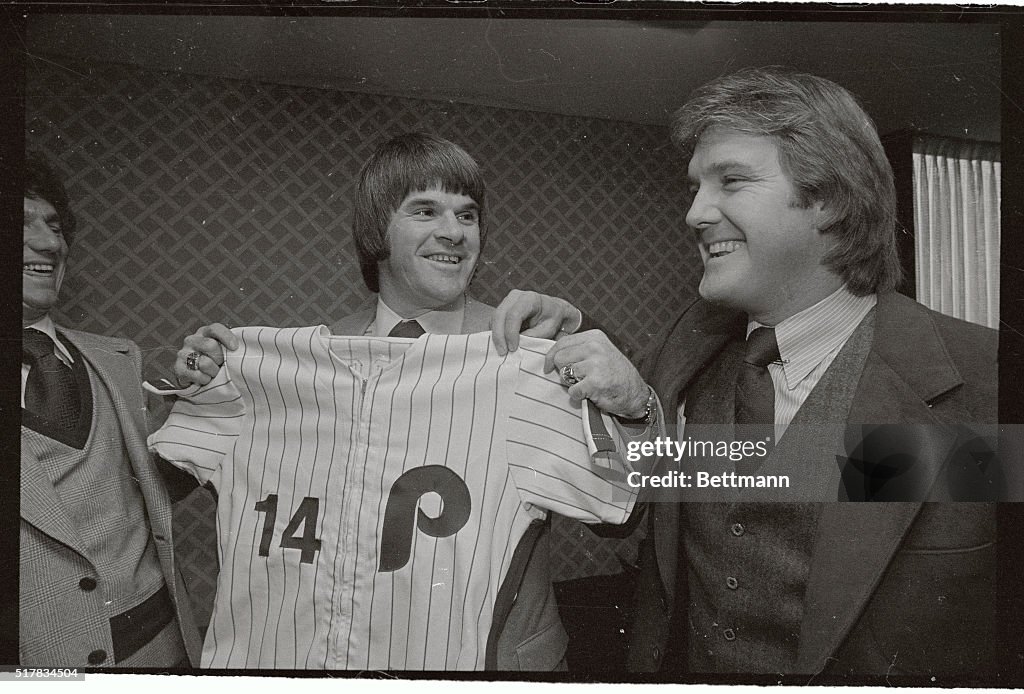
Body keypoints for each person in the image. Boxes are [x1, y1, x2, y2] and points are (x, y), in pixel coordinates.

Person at [492, 67, 997, 679]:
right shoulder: (689, 348)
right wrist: (579, 344)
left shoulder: (986, 381)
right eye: (696, 187)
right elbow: (634, 495)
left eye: (731, 180)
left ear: (830, 200)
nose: (695, 213)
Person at [154, 132, 645, 670]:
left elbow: (622, 510)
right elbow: (162, 486)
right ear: (376, 232)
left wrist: (618, 381)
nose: (453, 232)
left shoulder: (521, 355)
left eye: (468, 215)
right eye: (426, 210)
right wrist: (201, 386)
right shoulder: (294, 363)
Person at [20, 153, 202, 667]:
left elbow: (148, 489)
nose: (51, 243)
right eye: (19, 224)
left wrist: (198, 411)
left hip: (166, 648)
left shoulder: (119, 360)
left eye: (55, 226)